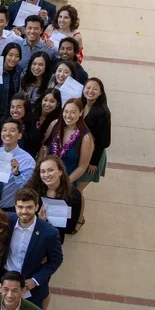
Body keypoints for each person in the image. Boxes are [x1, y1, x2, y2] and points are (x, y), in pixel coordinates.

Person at [5, 188, 63, 310]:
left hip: (30, 287)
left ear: (37, 207)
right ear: (15, 206)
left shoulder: (49, 232)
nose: (24, 211)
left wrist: (35, 280)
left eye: (29, 207)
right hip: (5, 279)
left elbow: (56, 260)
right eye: (20, 207)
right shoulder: (6, 221)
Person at [25, 155, 81, 243]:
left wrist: (45, 223)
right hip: (30, 235)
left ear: (60, 172)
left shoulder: (73, 195)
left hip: (54, 239)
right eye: (42, 171)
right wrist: (38, 220)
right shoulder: (33, 190)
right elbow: (22, 213)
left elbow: (70, 228)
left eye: (50, 170)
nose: (46, 175)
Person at [77, 78, 110, 227]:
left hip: (93, 157)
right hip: (81, 152)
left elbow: (104, 142)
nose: (90, 91)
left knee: (78, 189)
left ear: (100, 92)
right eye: (88, 88)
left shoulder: (103, 112)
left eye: (94, 89)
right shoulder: (81, 104)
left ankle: (79, 219)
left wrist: (93, 162)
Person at [44, 98, 94, 190]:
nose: (68, 115)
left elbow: (82, 167)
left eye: (73, 112)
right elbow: (43, 149)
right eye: (66, 111)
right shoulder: (54, 125)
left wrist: (63, 183)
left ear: (80, 113)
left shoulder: (86, 138)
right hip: (45, 181)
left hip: (67, 184)